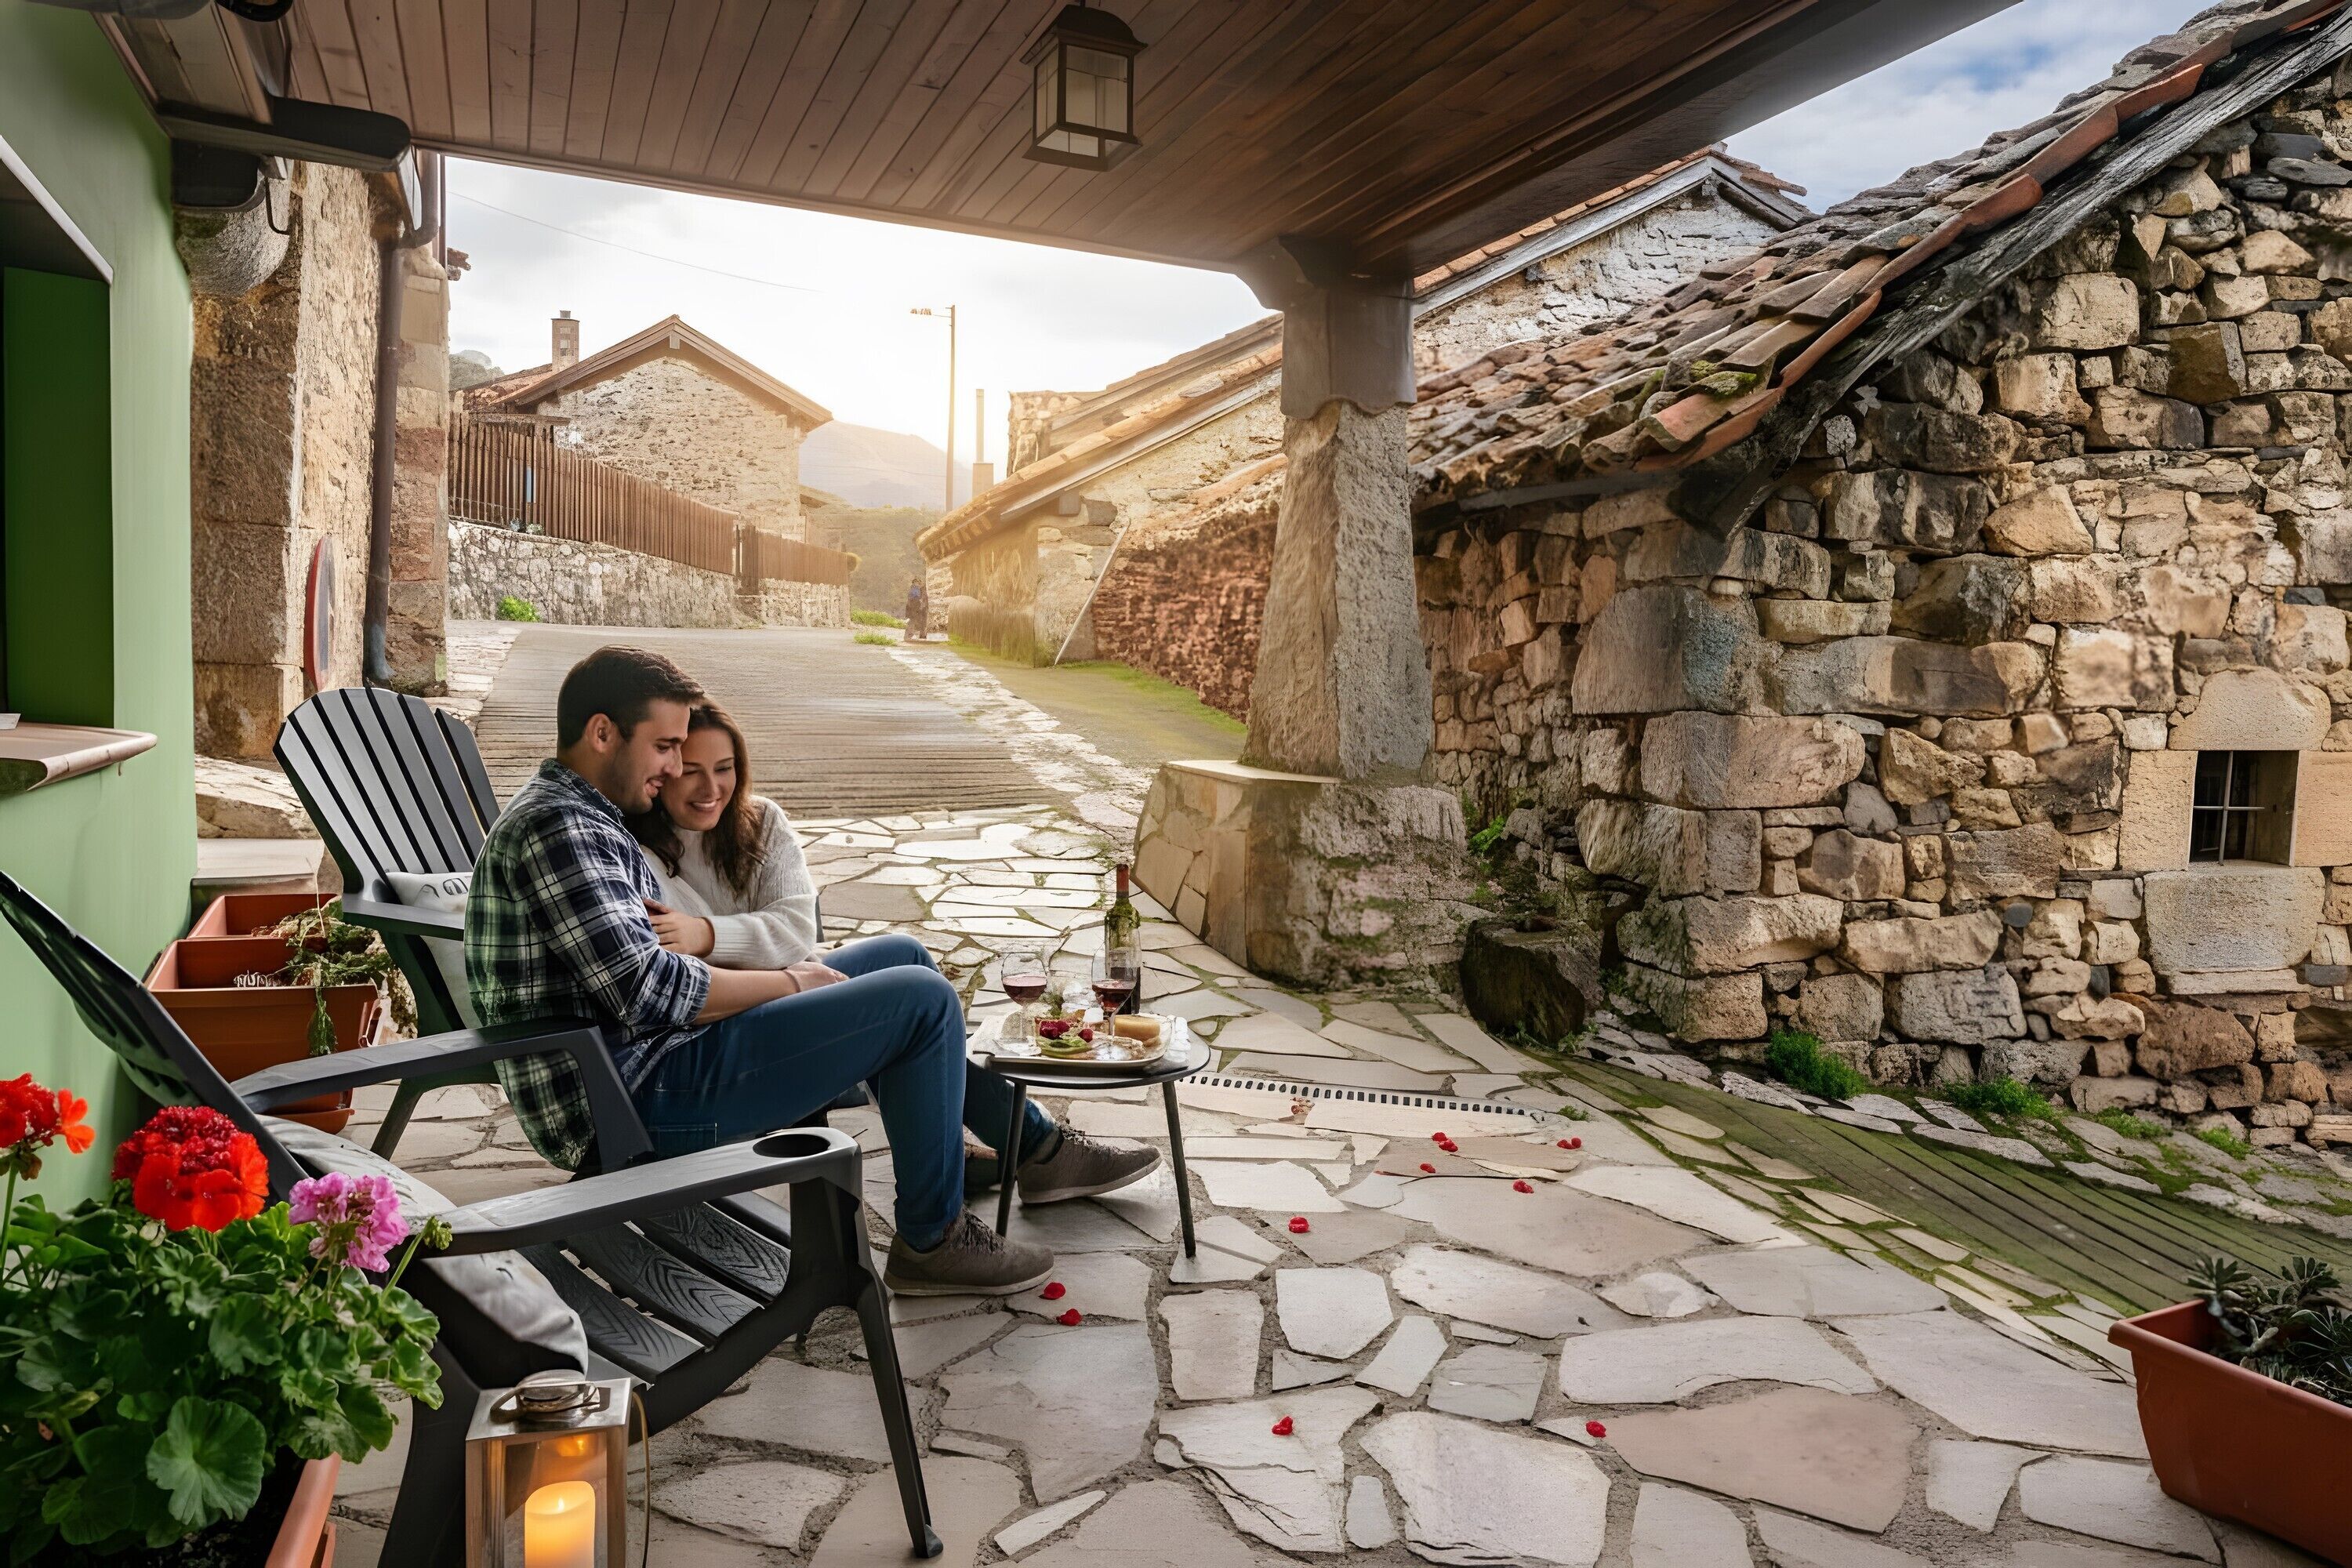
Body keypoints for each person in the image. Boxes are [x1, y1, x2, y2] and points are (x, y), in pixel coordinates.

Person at [466, 646, 1154, 1297]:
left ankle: (1034, 1149)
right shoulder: (563, 828)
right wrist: (794, 982)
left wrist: (766, 969)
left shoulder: (588, 816)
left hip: (650, 1062)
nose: (676, 768)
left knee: (902, 958)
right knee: (920, 1001)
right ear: (602, 733)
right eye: (667, 746)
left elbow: (658, 975)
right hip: (630, 1099)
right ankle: (931, 1238)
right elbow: (652, 991)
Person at [903, 576, 928, 641]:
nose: (917, 583)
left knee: (916, 622)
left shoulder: (918, 589)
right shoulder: (914, 589)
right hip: (915, 608)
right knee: (913, 622)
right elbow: (911, 600)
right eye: (916, 582)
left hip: (918, 608)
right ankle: (909, 636)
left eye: (918, 582)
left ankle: (915, 636)